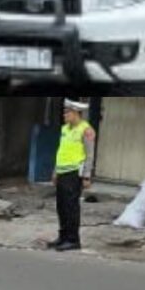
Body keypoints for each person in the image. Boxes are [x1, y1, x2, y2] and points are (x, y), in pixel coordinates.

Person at [48, 99, 96, 252]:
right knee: (61, 206)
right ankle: (63, 237)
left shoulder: (86, 130)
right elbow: (61, 151)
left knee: (71, 207)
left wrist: (87, 176)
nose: (64, 115)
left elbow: (89, 154)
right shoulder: (65, 129)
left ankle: (73, 240)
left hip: (74, 173)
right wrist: (55, 171)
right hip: (62, 172)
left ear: (76, 113)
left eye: (67, 112)